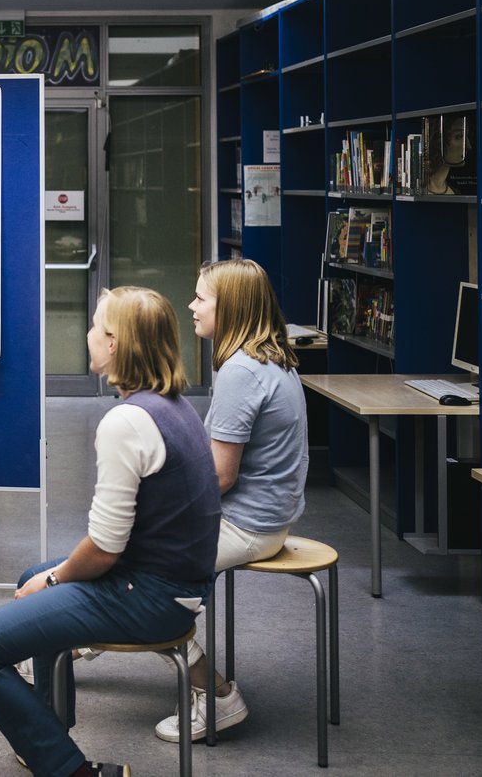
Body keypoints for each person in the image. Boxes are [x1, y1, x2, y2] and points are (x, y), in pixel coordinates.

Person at [0, 286, 221, 777]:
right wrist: (47, 577)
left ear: (115, 344)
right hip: (179, 586)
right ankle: (48, 733)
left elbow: (102, 550)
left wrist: (53, 582)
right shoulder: (176, 407)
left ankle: (68, 768)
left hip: (150, 598)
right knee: (34, 574)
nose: (89, 334)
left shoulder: (127, 422)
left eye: (97, 327)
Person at [158, 258, 309, 742]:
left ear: (233, 308)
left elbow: (219, 477)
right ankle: (72, 646)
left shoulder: (241, 371)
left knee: (137, 582)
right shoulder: (270, 359)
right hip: (269, 519)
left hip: (245, 525)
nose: (191, 306)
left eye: (201, 298)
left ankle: (219, 697)